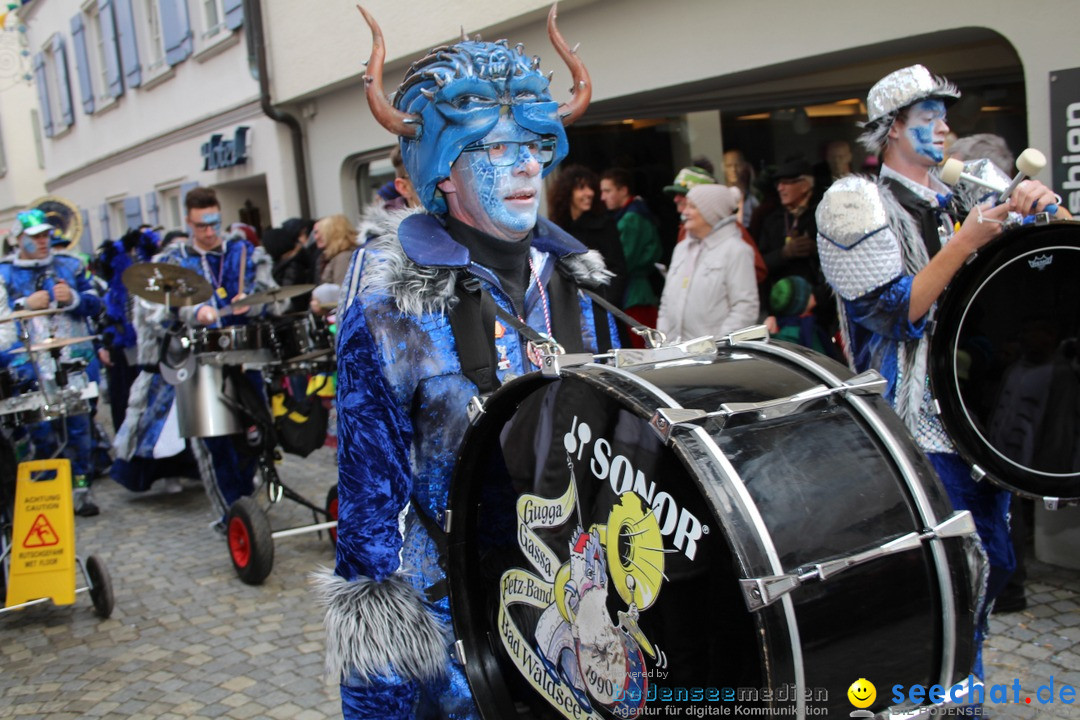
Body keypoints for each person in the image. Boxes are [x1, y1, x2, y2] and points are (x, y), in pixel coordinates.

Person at [316, 8, 616, 718]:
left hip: (581, 612)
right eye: (492, 148)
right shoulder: (391, 313)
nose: (524, 167)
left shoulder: (580, 280)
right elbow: (369, 520)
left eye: (534, 145)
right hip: (459, 631)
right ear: (442, 171)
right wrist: (386, 695)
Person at [815, 64, 1071, 681]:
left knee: (998, 562)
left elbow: (1051, 263)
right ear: (891, 128)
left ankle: (961, 678)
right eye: (928, 116)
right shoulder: (853, 202)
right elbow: (893, 313)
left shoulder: (970, 189)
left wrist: (1046, 207)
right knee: (954, 572)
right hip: (916, 424)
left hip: (979, 415)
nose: (943, 128)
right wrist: (965, 244)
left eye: (943, 115)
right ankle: (949, 688)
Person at [112, 187, 279, 517]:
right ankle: (231, 514)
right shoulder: (171, 263)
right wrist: (191, 312)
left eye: (214, 223)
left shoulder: (244, 252)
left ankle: (248, 501)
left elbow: (273, 296)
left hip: (244, 358)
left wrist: (252, 307)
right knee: (214, 443)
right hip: (198, 364)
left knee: (253, 436)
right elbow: (154, 314)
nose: (209, 232)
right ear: (188, 222)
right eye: (201, 225)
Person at [0, 209, 103, 515]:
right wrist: (24, 304)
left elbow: (97, 302)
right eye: (35, 237)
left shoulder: (69, 265)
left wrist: (72, 297)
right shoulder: (4, 274)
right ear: (19, 240)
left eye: (46, 235)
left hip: (71, 360)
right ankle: (44, 491)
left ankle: (82, 488)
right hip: (25, 364)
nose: (43, 242)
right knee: (39, 431)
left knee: (79, 426)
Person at [657, 184, 758, 342]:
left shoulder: (737, 250)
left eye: (692, 207)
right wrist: (662, 342)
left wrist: (717, 346)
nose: (684, 212)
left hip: (714, 361)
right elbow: (665, 302)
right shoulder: (681, 248)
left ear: (711, 211)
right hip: (675, 356)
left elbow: (745, 308)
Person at [548, 163, 628, 307]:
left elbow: (618, 272)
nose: (589, 193)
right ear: (567, 192)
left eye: (591, 187)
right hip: (568, 311)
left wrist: (606, 306)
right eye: (581, 188)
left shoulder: (604, 225)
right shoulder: (556, 230)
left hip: (601, 309)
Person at [600, 167, 662, 345]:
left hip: (635, 296)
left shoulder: (631, 219)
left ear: (623, 190)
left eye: (607, 190)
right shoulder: (635, 213)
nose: (603, 197)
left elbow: (623, 261)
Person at [723, 149, 759, 225]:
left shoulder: (753, 199)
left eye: (737, 165)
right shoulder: (720, 197)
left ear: (743, 166)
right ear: (723, 168)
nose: (734, 170)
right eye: (729, 166)